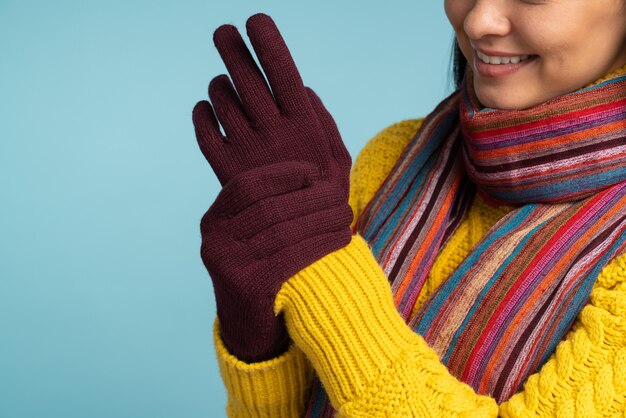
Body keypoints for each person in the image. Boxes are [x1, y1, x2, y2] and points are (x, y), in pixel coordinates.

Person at [192, 1, 626, 416]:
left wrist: (322, 264)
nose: (478, 21)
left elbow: (328, 283)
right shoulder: (393, 157)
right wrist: (256, 333)